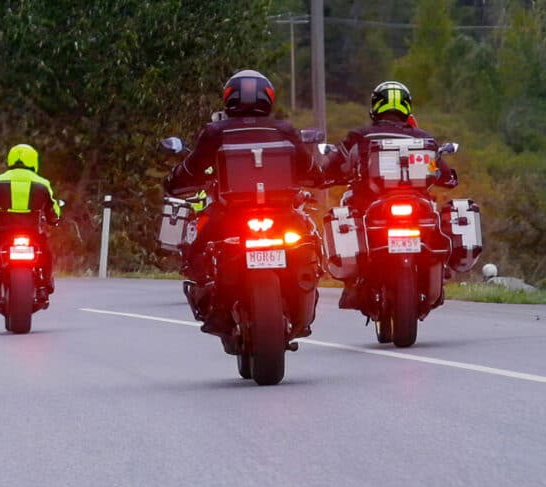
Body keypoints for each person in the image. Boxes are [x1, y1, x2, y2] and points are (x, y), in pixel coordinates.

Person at [164, 70, 320, 322]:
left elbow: (191, 168)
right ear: (268, 98)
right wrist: (319, 177)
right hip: (282, 214)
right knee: (309, 240)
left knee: (196, 249)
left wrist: (174, 181)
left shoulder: (216, 131)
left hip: (230, 216)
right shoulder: (284, 130)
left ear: (229, 98)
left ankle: (211, 304)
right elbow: (310, 169)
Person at [333, 79, 458, 307]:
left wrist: (326, 174)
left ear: (376, 106)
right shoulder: (423, 138)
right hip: (417, 207)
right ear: (406, 106)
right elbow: (441, 173)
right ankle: (442, 270)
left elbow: (334, 164)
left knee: (346, 210)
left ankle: (353, 281)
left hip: (373, 207)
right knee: (436, 219)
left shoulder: (361, 136)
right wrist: (447, 178)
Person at [0, 143, 62, 307]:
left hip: (4, 232)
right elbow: (53, 209)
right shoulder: (43, 183)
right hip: (33, 232)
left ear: (11, 160)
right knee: (46, 255)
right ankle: (43, 288)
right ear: (33, 160)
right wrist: (54, 220)